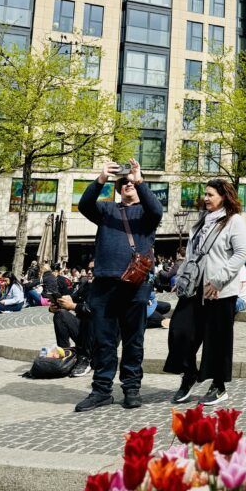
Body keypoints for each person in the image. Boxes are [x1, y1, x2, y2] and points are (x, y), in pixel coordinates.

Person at [75, 160, 162, 412]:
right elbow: (84, 205)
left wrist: (139, 179)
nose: (128, 186)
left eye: (131, 184)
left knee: (134, 341)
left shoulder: (146, 214)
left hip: (135, 286)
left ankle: (131, 389)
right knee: (103, 341)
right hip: (103, 285)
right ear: (117, 188)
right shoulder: (106, 211)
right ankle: (101, 390)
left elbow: (157, 210)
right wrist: (101, 178)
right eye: (123, 183)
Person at [165, 178, 246, 406]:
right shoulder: (202, 221)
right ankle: (189, 374)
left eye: (210, 194)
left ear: (223, 196)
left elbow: (241, 254)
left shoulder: (234, 221)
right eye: (205, 194)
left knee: (218, 340)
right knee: (180, 332)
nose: (206, 198)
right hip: (194, 289)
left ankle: (219, 386)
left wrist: (219, 280)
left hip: (219, 290)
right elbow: (192, 254)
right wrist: (181, 277)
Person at [48, 261, 94, 375]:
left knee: (90, 317)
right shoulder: (85, 285)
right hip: (83, 333)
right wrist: (56, 305)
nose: (89, 272)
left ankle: (85, 359)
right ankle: (65, 354)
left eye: (93, 269)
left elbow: (96, 310)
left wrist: (73, 306)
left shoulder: (107, 288)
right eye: (88, 269)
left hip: (101, 336)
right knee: (60, 314)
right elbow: (71, 299)